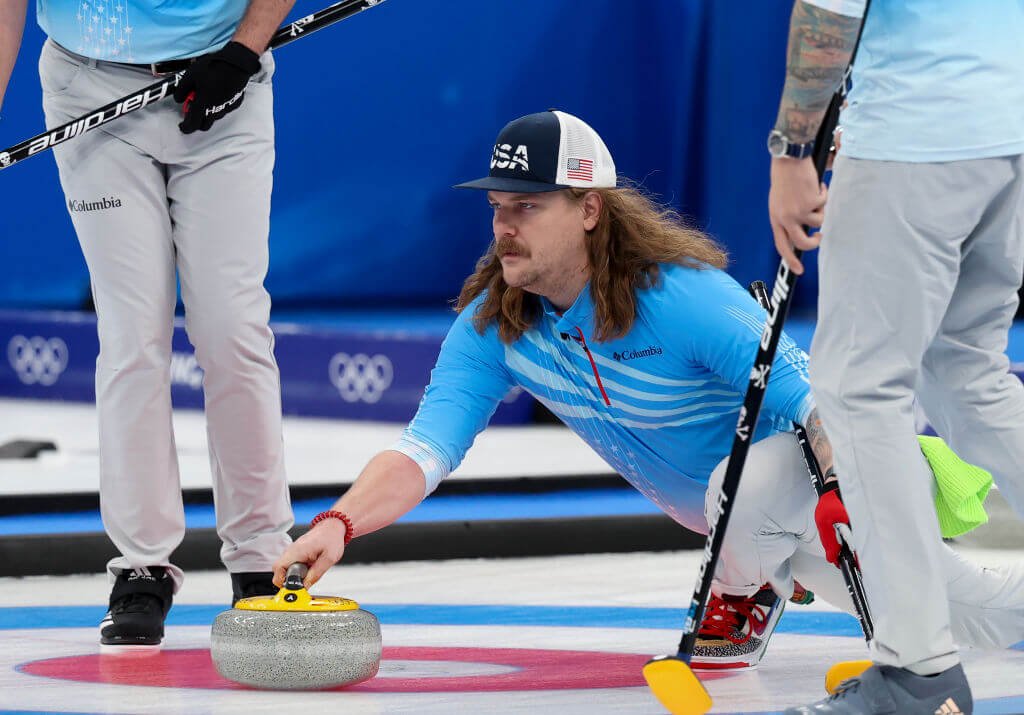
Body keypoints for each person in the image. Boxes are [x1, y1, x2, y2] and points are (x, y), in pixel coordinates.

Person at [273, 110, 1024, 672]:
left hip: (797, 491)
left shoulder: (684, 296)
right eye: (498, 206)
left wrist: (838, 487)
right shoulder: (493, 326)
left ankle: (745, 590)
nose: (504, 225)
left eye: (528, 206)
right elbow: (422, 450)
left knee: (747, 482)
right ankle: (753, 579)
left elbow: (813, 400)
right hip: (750, 531)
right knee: (979, 615)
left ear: (590, 209)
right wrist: (339, 521)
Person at [0, 1, 297, 651]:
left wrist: (245, 50)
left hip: (225, 86)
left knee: (232, 328)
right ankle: (141, 566)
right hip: (90, 92)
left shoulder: (233, 69)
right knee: (132, 333)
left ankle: (260, 559)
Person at [768, 1, 1024, 712]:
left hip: (917, 134)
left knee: (860, 390)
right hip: (1009, 132)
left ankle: (918, 669)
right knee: (967, 370)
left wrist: (792, 153)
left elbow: (829, 9)